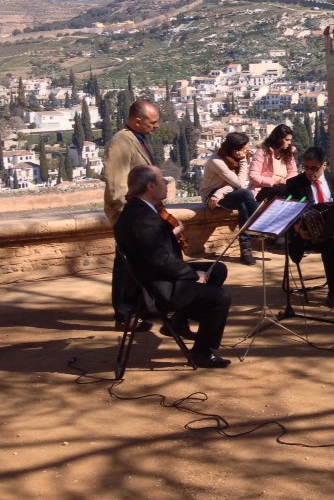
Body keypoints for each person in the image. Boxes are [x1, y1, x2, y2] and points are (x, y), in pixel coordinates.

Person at [114, 165, 232, 369]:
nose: (166, 184)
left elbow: (155, 251)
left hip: (153, 276)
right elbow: (159, 260)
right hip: (155, 290)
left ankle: (177, 322)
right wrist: (193, 275)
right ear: (150, 186)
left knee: (218, 269)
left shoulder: (140, 210)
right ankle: (201, 353)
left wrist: (172, 235)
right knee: (220, 298)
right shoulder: (142, 218)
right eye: (162, 180)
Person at [104, 98, 161, 327]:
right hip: (130, 215)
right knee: (125, 265)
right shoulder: (120, 142)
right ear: (138, 121)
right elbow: (116, 184)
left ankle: (140, 309)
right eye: (153, 122)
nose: (156, 126)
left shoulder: (136, 138)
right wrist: (126, 215)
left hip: (140, 213)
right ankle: (123, 313)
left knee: (137, 263)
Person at [285, 146, 334, 309]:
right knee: (332, 246)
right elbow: (288, 212)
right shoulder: (295, 185)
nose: (309, 172)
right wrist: (299, 230)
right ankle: (333, 294)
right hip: (308, 234)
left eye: (313, 168)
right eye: (305, 167)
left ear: (324, 165)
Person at [200, 132, 258, 265]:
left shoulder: (233, 160)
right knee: (246, 194)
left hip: (222, 193)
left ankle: (246, 250)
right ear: (235, 151)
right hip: (211, 196)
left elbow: (234, 185)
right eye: (245, 148)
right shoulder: (217, 161)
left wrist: (221, 191)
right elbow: (240, 184)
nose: (248, 150)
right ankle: (259, 224)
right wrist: (243, 161)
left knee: (243, 204)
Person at [248, 124, 298, 202]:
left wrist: (287, 181)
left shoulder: (288, 153)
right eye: (287, 140)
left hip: (284, 186)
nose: (289, 143)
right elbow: (253, 176)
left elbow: (293, 172)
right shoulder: (262, 152)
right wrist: (275, 182)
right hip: (263, 189)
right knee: (284, 191)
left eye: (290, 140)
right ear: (279, 139)